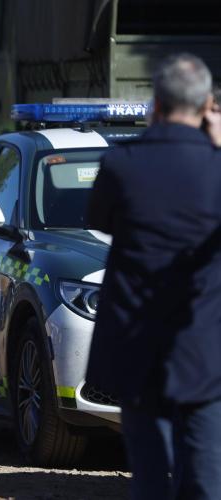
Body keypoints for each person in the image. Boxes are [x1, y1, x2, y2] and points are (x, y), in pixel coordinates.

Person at [86, 53, 221, 500]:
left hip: (135, 340)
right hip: (204, 345)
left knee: (149, 477)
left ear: (156, 105)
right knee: (206, 477)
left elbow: (99, 220)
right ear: (207, 106)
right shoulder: (216, 165)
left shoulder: (122, 162)